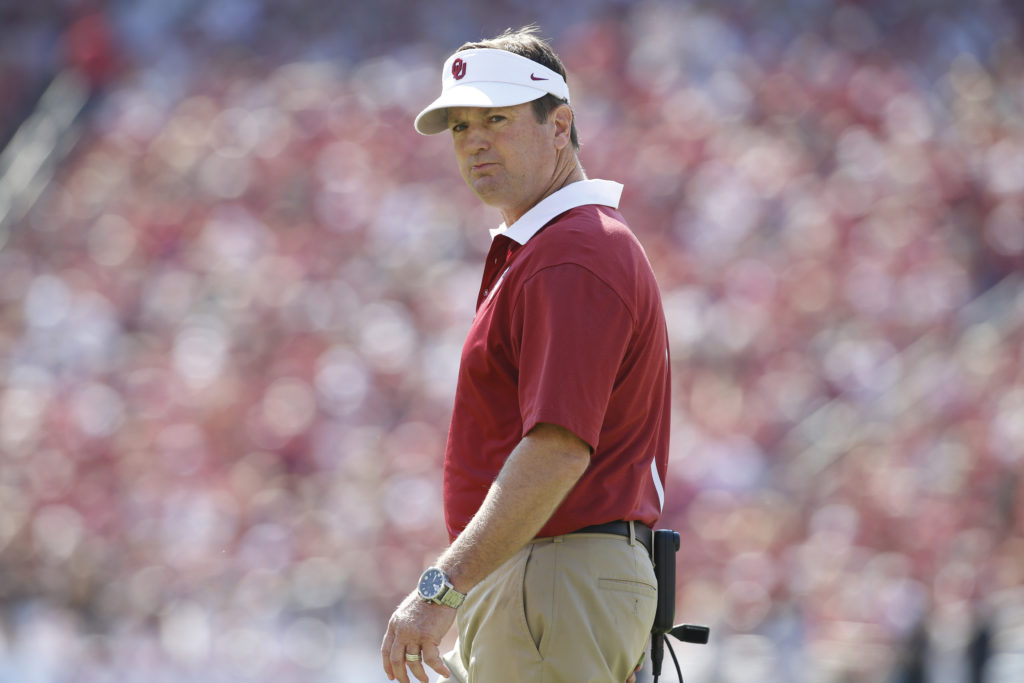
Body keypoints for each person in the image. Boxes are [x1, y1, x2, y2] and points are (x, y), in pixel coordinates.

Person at [381, 26, 671, 683]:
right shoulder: (560, 247)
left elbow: (559, 446)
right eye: (459, 126)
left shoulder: (572, 249)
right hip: (549, 575)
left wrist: (439, 588)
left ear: (559, 124)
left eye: (497, 119)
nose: (474, 140)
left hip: (555, 568)